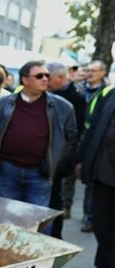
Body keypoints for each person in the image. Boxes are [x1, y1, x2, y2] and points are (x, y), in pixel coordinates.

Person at [0, 61, 77, 233]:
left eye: (47, 75)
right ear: (25, 80)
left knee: (38, 222)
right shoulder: (4, 104)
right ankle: (6, 258)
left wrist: (54, 164)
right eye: (39, 75)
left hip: (40, 174)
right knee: (6, 220)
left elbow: (71, 140)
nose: (45, 79)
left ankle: (36, 259)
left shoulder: (62, 106)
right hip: (8, 171)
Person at [78, 83, 115, 268]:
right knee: (102, 221)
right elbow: (94, 130)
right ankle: (103, 264)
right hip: (102, 170)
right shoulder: (109, 94)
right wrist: (83, 160)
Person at [47, 61, 87, 223]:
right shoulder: (47, 94)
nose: (46, 81)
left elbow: (73, 133)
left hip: (61, 157)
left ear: (61, 77)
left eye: (49, 77)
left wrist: (65, 157)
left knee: (57, 195)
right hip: (46, 156)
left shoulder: (75, 99)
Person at [80, 60, 110, 232]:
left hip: (94, 140)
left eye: (94, 70)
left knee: (92, 183)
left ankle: (90, 216)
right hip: (82, 139)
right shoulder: (78, 89)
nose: (89, 73)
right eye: (88, 70)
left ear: (102, 72)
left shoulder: (106, 93)